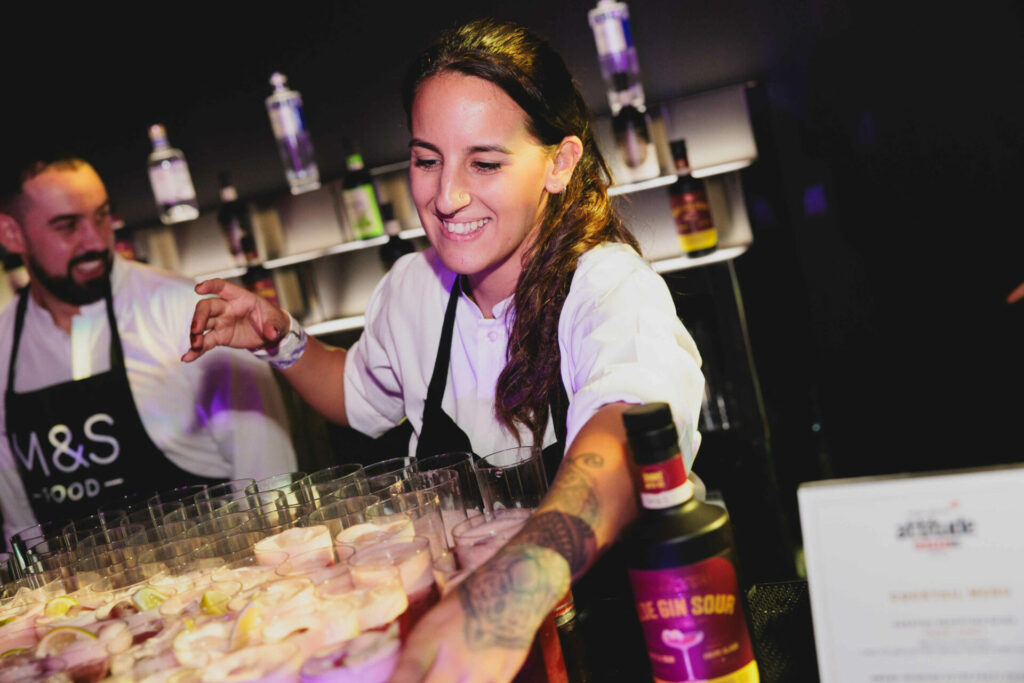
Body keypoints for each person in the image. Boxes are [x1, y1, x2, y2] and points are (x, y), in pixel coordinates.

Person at [183, 19, 705, 683]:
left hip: (624, 650)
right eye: (427, 159)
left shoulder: (606, 283)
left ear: (559, 162)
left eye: (484, 162)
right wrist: (280, 338)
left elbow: (629, 436)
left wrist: (516, 584)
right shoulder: (413, 288)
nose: (446, 196)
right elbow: (355, 393)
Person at [0, 157, 297, 541]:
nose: (94, 241)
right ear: (11, 234)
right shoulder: (4, 346)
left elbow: (268, 482)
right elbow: (19, 524)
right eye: (68, 226)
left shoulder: (188, 313)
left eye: (102, 217)